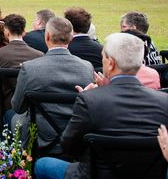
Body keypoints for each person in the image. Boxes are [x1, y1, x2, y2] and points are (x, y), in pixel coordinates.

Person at [34, 33, 168, 179]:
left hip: (93, 174)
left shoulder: (89, 99)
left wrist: (88, 98)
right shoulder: (164, 101)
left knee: (42, 164)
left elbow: (68, 147)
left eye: (103, 56)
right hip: (149, 174)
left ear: (110, 63)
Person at [10, 17, 94, 155]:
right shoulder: (86, 67)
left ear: (47, 36)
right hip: (76, 137)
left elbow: (18, 107)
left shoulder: (30, 68)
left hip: (41, 137)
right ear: (71, 38)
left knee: (12, 117)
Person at [0, 14, 43, 125]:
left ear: (6, 31)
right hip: (31, 103)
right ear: (24, 31)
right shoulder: (38, 55)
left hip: (6, 103)